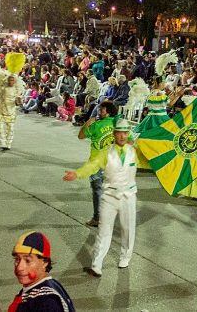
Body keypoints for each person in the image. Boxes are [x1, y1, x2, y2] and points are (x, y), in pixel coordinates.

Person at [63, 118, 137, 277]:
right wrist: (77, 173)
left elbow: (155, 158)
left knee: (128, 229)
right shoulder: (106, 153)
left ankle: (125, 257)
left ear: (128, 134)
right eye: (119, 133)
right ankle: (96, 264)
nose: (122, 136)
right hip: (109, 196)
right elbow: (93, 165)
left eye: (125, 133)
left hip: (128, 196)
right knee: (104, 230)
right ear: (114, 134)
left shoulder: (134, 152)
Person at [9, 232, 74, 312]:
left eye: (27, 260)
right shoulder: (50, 285)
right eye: (17, 259)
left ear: (44, 262)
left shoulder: (46, 302)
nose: (19, 267)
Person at [77, 100, 118, 227]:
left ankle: (97, 218)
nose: (99, 111)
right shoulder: (118, 124)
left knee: (97, 190)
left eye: (101, 110)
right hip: (115, 162)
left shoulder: (97, 125)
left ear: (108, 112)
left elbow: (81, 136)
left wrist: (88, 122)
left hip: (97, 163)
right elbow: (131, 140)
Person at [0, 75, 22, 150]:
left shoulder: (17, 89)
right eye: (10, 80)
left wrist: (18, 100)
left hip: (11, 110)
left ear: (15, 81)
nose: (11, 81)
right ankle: (3, 143)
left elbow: (18, 103)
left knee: (11, 128)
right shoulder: (3, 88)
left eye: (12, 80)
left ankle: (8, 143)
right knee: (1, 127)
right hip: (2, 109)